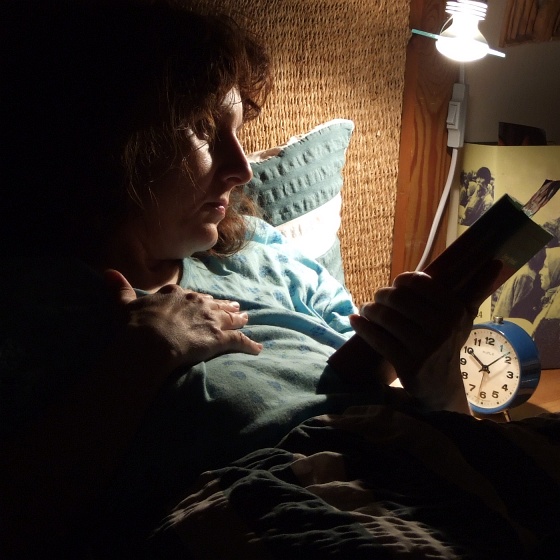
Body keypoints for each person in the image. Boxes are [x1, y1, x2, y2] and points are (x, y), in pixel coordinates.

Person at [0, 1, 494, 557]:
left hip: (411, 467)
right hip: (267, 500)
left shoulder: (265, 251)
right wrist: (145, 353)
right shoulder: (37, 303)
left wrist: (441, 381)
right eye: (202, 132)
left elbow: (435, 430)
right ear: (110, 145)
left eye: (238, 131)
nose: (241, 169)